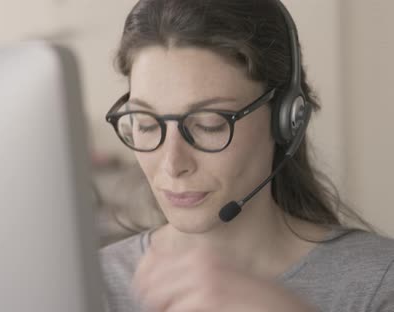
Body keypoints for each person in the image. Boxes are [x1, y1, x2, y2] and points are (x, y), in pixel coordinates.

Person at [99, 0, 394, 311]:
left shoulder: (379, 283)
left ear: (286, 119)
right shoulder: (94, 284)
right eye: (146, 124)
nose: (173, 164)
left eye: (209, 125)